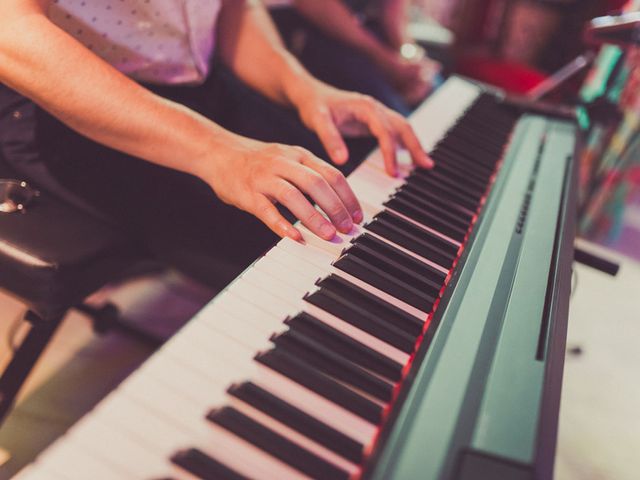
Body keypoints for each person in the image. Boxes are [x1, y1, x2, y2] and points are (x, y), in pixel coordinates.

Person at [0, 0, 432, 289]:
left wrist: (302, 88)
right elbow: (11, 30)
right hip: (68, 107)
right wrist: (216, 152)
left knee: (360, 211)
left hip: (198, 79)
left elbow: (228, 8)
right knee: (308, 273)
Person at [269, 0, 441, 116]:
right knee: (389, 113)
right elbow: (314, 4)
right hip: (312, 27)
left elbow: (393, 8)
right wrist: (387, 62)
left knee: (434, 90)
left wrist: (406, 55)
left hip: (367, 27)